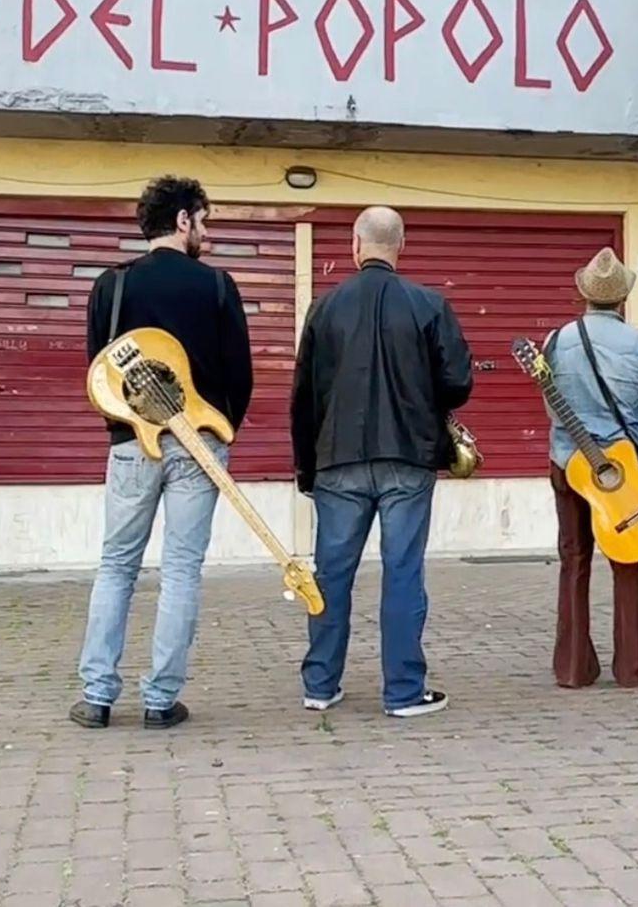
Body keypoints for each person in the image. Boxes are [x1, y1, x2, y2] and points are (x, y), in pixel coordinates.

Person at [70, 176, 253, 730]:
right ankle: (159, 701)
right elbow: (240, 375)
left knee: (116, 566)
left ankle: (97, 696)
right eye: (204, 221)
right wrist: (219, 431)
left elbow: (100, 372)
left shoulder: (113, 286)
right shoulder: (218, 285)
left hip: (132, 446)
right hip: (200, 445)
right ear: (182, 221)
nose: (207, 232)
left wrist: (123, 429)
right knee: (180, 571)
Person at [291, 206, 474, 718]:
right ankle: (403, 693)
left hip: (337, 460)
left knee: (331, 575)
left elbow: (303, 395)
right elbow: (459, 381)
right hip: (409, 458)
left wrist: (307, 467)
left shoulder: (323, 310)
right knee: (402, 572)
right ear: (401, 245)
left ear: (355, 245)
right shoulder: (428, 304)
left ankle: (320, 686)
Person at [542, 248, 638, 689]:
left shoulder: (556, 341)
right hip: (622, 469)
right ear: (622, 299)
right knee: (627, 560)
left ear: (584, 295)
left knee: (573, 559)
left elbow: (552, 409)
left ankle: (573, 667)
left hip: (568, 463)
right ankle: (634, 666)